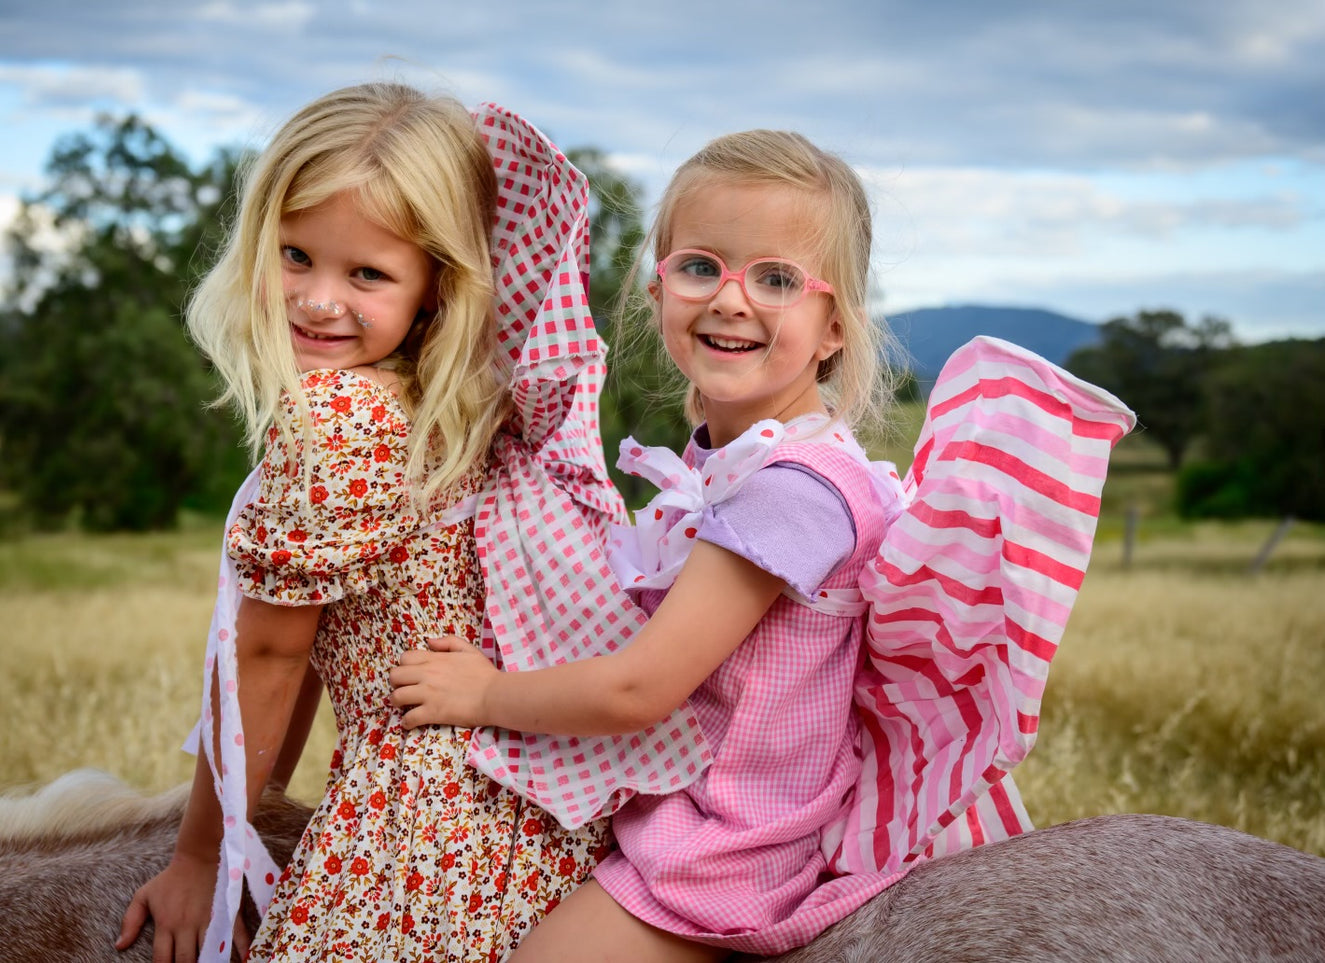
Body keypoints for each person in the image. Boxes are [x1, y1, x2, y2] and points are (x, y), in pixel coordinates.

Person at [390, 128, 1136, 960]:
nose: (729, 299)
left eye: (776, 279)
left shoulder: (791, 493)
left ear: (834, 329)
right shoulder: (742, 462)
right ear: (657, 288)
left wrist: (482, 695)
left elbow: (640, 687)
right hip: (693, 803)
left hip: (726, 847)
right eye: (700, 266)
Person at [113, 82, 668, 963]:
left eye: (366, 273)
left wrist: (199, 855)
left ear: (435, 287)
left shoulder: (342, 420)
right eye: (294, 255)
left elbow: (268, 657)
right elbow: (289, 664)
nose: (320, 299)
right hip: (526, 818)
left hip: (422, 833)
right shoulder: (457, 403)